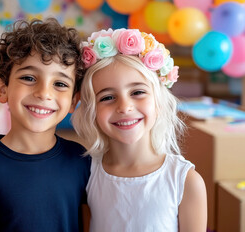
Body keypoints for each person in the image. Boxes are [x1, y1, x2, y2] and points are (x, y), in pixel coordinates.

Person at [0, 18, 91, 232]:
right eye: (29, 78)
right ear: (2, 89)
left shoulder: (81, 161)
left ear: (73, 101)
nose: (44, 93)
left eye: (59, 84)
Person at [72, 28, 207, 232]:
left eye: (137, 92)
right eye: (107, 97)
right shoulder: (88, 174)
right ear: (92, 111)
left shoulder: (185, 181)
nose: (124, 107)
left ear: (159, 102)